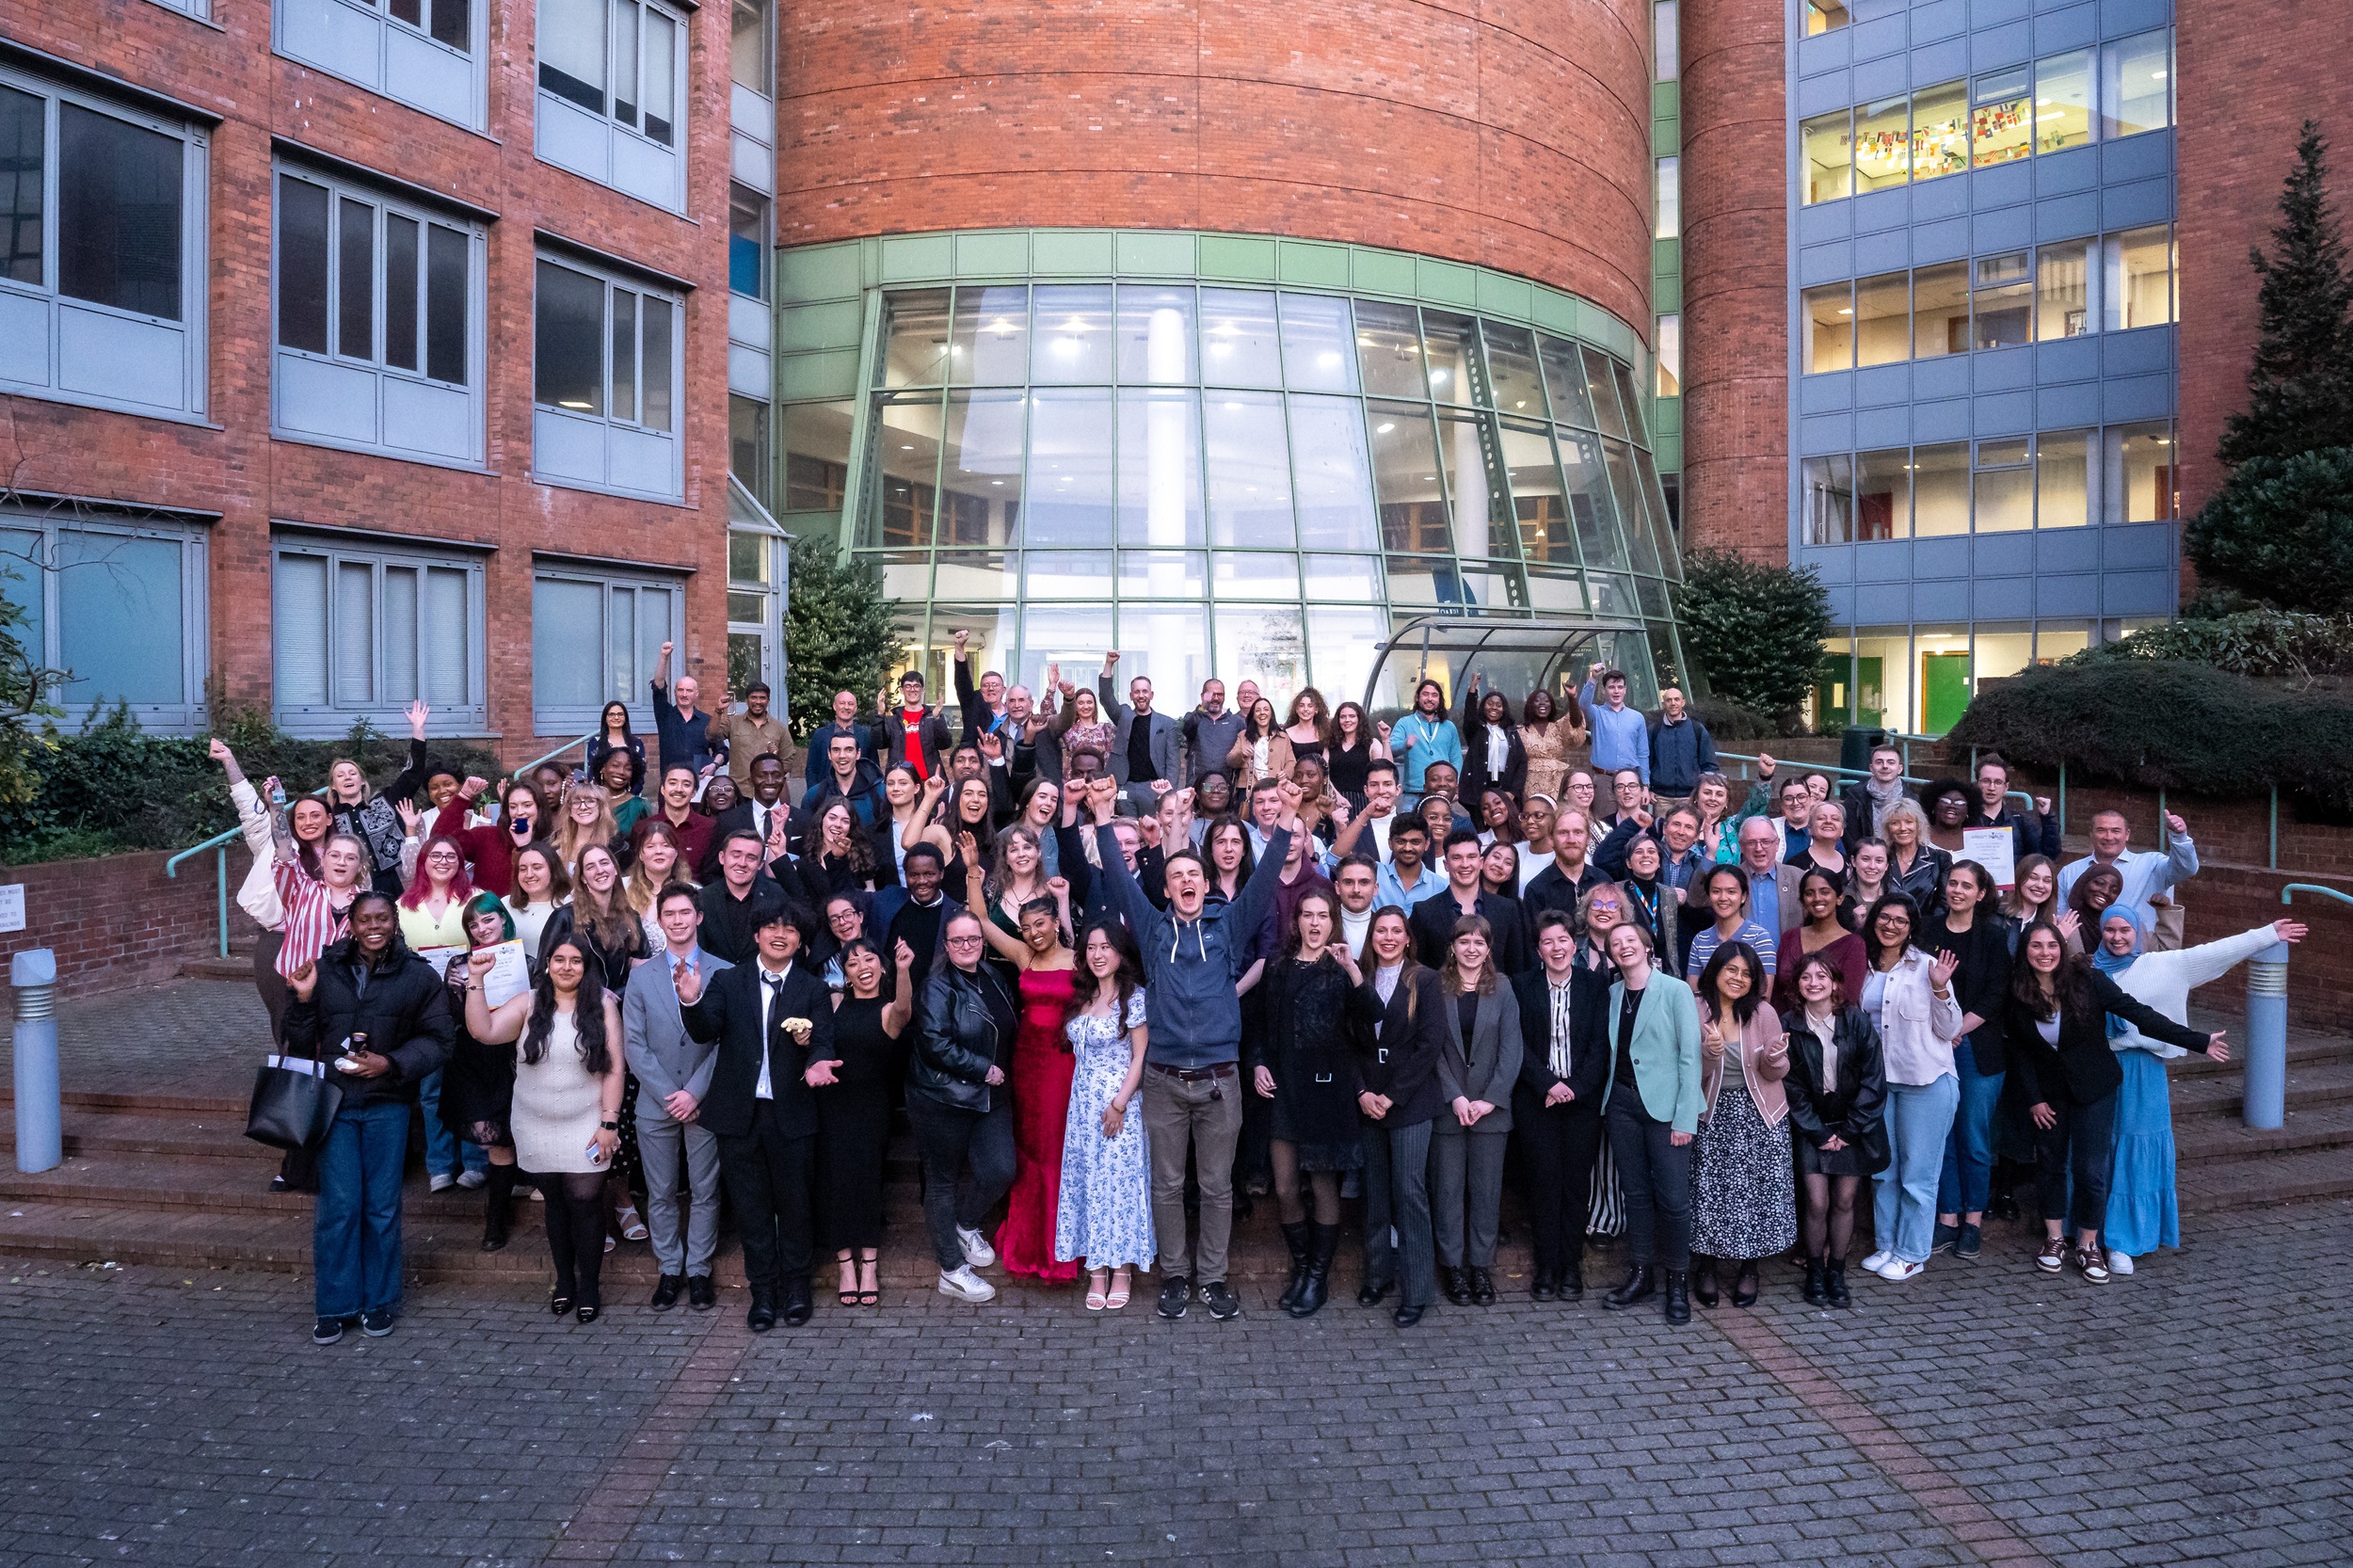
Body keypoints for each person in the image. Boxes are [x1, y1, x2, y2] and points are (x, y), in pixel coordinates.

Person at [1083, 775, 1296, 1320]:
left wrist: (1288, 818)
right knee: (1168, 1185)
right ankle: (1176, 1276)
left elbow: (1264, 878)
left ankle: (1214, 1279)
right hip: (1163, 1081)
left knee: (1218, 1187)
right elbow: (1119, 879)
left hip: (1221, 1080)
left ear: (1206, 885)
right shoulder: (1154, 931)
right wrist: (1103, 815)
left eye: (1193, 875)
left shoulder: (1229, 925)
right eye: (1175, 875)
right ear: (1167, 888)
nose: (1184, 881)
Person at [2003, 919, 2225, 1283]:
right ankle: (2054, 1239)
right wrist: (2034, 1099)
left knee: (2091, 1170)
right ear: (2025, 951)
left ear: (2062, 948)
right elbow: (2019, 1051)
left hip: (2094, 1088)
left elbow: (2138, 1014)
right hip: (2048, 1095)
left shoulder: (2086, 979)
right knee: (2052, 1165)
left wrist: (2197, 1040)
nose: (2045, 953)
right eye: (2036, 946)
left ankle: (2088, 1244)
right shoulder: (2017, 990)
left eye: (2052, 945)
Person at [285, 890, 455, 1343]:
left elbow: (440, 1040)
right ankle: (335, 1305)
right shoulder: (325, 970)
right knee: (339, 1207)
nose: (374, 927)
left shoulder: (418, 975)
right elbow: (298, 1044)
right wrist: (303, 999)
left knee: (381, 1207)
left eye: (382, 918)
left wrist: (390, 1063)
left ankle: (379, 1303)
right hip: (335, 1104)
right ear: (352, 925)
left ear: (394, 921)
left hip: (388, 1104)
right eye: (364, 920)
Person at [2098, 912, 2299, 1274]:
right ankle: (2089, 1232)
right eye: (2109, 929)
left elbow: (2217, 951)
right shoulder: (2086, 970)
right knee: (2096, 1150)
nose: (2117, 937)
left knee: (2137, 1149)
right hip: (2096, 1071)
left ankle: (2124, 1239)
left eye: (2125, 929)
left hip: (2143, 1073)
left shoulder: (2164, 965)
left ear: (2138, 932)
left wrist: (2269, 933)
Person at [674, 906, 840, 1329]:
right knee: (752, 1210)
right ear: (757, 935)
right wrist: (690, 999)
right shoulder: (728, 981)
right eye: (771, 926)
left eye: (790, 928)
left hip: (792, 1113)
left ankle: (797, 1288)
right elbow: (705, 1030)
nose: (780, 934)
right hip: (739, 1116)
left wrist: (815, 1057)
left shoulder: (812, 988)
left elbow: (824, 1040)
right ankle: (763, 1293)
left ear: (800, 941)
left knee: (796, 1206)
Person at [465, 933, 626, 1321]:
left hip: (588, 1122)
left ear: (586, 967)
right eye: (559, 959)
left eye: (575, 960)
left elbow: (615, 1067)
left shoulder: (603, 1005)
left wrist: (609, 1122)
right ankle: (565, 1282)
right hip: (534, 1123)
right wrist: (476, 979)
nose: (566, 967)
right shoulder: (528, 1003)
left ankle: (589, 1286)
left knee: (585, 1202)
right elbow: (483, 1031)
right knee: (555, 1203)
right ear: (547, 964)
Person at [1241, 888, 1368, 1318]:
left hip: (1326, 1092)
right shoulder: (1277, 965)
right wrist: (1258, 1063)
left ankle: (1317, 1277)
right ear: (1296, 921)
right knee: (1284, 1187)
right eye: (1308, 915)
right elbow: (1259, 1024)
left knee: (1323, 1184)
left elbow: (1371, 1018)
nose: (1315, 923)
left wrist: (1353, 970)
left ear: (1333, 921)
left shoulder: (1341, 968)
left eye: (1323, 916)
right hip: (1284, 1090)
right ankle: (1302, 1267)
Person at [964, 862, 1080, 1285]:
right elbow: (980, 921)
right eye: (1026, 927)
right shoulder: (1023, 955)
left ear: (1055, 923)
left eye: (1040, 924)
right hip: (1027, 1065)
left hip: (1064, 1065)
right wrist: (972, 873)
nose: (1033, 933)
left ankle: (1058, 1244)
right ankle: (1027, 1238)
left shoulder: (1080, 959)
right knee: (1028, 1148)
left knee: (1055, 1149)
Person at [905, 909, 1021, 1304]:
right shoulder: (936, 986)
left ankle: (966, 1223)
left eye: (973, 938)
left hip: (991, 1098)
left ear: (983, 942)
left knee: (1000, 1169)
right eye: (958, 940)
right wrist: (982, 1068)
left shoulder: (993, 976)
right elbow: (934, 1043)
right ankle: (951, 1271)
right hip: (944, 1097)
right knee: (942, 1181)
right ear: (946, 945)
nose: (967, 945)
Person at [623, 887, 728, 1312]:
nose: (679, 920)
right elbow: (634, 1043)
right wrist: (671, 1095)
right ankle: (669, 1268)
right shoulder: (640, 977)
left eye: (686, 912)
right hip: (657, 1102)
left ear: (698, 917)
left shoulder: (725, 972)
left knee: (705, 1190)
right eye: (670, 914)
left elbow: (727, 1043)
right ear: (660, 920)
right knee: (661, 1191)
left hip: (704, 1100)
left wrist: (694, 1093)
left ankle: (699, 1270)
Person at [1855, 895, 1963, 1283]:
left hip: (1926, 1081)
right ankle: (1887, 1244)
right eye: (1884, 917)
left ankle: (1912, 1253)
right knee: (1884, 1171)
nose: (1891, 925)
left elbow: (1951, 1030)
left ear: (1911, 927)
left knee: (1918, 1175)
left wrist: (1940, 990)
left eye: (1901, 920)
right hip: (1879, 1084)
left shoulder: (1929, 967)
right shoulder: (1863, 965)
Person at [1599, 920, 1702, 1322]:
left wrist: (1685, 1118)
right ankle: (1641, 1274)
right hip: (1621, 1106)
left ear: (1647, 947)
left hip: (1666, 1110)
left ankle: (1677, 1282)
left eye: (1631, 940)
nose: (1624, 947)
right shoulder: (1612, 994)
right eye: (1616, 943)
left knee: (1674, 1200)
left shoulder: (1675, 991)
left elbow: (1690, 1056)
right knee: (1636, 1195)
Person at [1424, 914, 1523, 1310]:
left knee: (1486, 1192)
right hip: (1448, 1108)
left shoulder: (1504, 987)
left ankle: (1480, 1267)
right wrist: (1455, 1096)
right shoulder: (1435, 985)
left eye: (1479, 942)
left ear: (1488, 948)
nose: (1471, 948)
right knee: (1447, 1191)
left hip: (1490, 1110)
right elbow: (1431, 1047)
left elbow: (1512, 1049)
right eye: (1464, 941)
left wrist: (1490, 1099)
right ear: (1452, 947)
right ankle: (1453, 1267)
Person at [1688, 941, 1795, 1309]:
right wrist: (1708, 1053)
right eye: (1731, 969)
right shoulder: (1695, 1009)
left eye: (1747, 973)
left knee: (1758, 1194)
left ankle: (1750, 1269)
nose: (1738, 978)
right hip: (1712, 1114)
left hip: (1762, 1115)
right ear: (1715, 970)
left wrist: (1775, 1057)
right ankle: (1707, 1266)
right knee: (1710, 1194)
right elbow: (1689, 1072)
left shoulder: (1763, 1012)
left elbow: (1774, 1073)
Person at [1053, 920, 1154, 1311]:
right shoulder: (1083, 996)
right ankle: (1096, 1270)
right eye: (1092, 947)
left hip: (1119, 1107)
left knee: (1119, 1188)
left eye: (1106, 947)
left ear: (1120, 953)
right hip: (1081, 1110)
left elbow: (1140, 1056)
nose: (1097, 954)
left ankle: (1122, 1269)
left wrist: (1119, 1104)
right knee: (1088, 1186)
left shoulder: (1136, 998)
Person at [1355, 905, 1448, 1326]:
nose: (1388, 938)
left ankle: (1417, 1291)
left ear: (1408, 938)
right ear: (1371, 937)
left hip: (1409, 1102)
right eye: (1381, 931)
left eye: (1396, 931)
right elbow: (1347, 1040)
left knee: (1409, 1194)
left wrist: (1391, 1096)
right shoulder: (1360, 976)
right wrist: (1362, 1091)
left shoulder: (1424, 980)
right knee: (1375, 1192)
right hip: (1367, 1101)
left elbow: (1430, 1045)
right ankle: (1378, 1276)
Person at [1511, 911, 1609, 1302]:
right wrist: (1549, 1084)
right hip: (1537, 1101)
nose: (1556, 948)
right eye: (1547, 941)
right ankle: (1546, 1265)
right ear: (1538, 949)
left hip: (1581, 1101)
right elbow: (1516, 1044)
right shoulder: (1521, 986)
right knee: (1543, 1183)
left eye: (1563, 940)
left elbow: (1601, 1045)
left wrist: (1573, 1088)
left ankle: (1571, 1265)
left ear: (1574, 944)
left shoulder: (1594, 985)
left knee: (1575, 1184)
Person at [1780, 952, 1887, 1309]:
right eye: (1806, 977)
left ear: (1836, 983)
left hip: (1852, 1125)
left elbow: (1873, 1080)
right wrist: (1818, 1132)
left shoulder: (1856, 1020)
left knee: (1844, 1200)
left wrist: (1850, 1130)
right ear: (1797, 985)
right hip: (1811, 1125)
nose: (1814, 983)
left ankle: (1836, 1271)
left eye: (1822, 976)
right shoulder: (1789, 1024)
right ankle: (1814, 1271)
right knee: (1816, 1201)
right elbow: (1790, 1086)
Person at [1924, 861, 2014, 1258]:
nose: (1957, 890)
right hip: (1932, 1047)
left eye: (1966, 886)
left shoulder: (1993, 935)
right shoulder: (1927, 930)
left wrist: (1957, 1028)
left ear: (1981, 894)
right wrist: (1944, 1030)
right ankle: (1947, 1218)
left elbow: (1997, 993)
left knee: (1974, 1138)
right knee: (1941, 1136)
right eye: (1953, 883)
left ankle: (1973, 1221)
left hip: (1977, 1048)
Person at [822, 936, 913, 1307]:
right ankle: (845, 1265)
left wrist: (904, 970)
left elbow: (904, 1008)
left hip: (872, 1107)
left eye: (869, 958)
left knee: (868, 1182)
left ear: (881, 966)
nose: (862, 967)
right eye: (853, 962)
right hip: (832, 1105)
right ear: (846, 974)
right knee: (836, 1183)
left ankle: (870, 1265)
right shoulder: (834, 1003)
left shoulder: (888, 1010)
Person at [433, 894, 526, 1251]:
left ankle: (499, 1219)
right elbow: (454, 1016)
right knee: (494, 1140)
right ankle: (497, 1217)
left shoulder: (527, 961)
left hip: (515, 1059)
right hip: (473, 1060)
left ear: (503, 919)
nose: (481, 928)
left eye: (488, 920)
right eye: (473, 924)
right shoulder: (458, 965)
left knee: (511, 1137)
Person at [2058, 808, 2201, 937]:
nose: (2108, 837)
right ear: (2091, 834)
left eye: (2116, 831)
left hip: (2142, 952)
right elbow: (2061, 918)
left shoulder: (2152, 864)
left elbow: (2186, 869)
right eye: (2101, 830)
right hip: (2085, 953)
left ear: (2127, 834)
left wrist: (2179, 837)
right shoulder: (2070, 872)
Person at [1411, 828, 1530, 973]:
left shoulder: (1507, 909)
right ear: (1446, 865)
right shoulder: (1424, 912)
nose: (1465, 864)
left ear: (1481, 862)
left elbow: (1517, 968)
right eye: (1457, 858)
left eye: (1471, 857)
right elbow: (1417, 971)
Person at [1771, 867, 1866, 1012]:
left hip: (1832, 1023)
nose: (1817, 898)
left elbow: (1848, 998)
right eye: (1810, 893)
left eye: (1825, 892)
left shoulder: (1854, 944)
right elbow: (1777, 993)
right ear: (1802, 901)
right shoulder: (1789, 937)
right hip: (1786, 1022)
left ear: (1839, 898)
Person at [697, 830, 792, 967]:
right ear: (722, 858)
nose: (742, 863)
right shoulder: (702, 898)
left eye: (751, 858)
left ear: (760, 864)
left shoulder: (779, 897)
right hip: (713, 977)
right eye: (736, 855)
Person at [1685, 864, 1777, 984]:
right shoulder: (1701, 940)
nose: (1723, 898)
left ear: (1743, 897)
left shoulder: (1760, 938)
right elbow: (1693, 990)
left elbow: (1763, 991)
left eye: (1731, 892)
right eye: (1716, 891)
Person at [648, 641, 727, 777]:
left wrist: (714, 765)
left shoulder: (707, 721)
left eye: (689, 691)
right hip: (670, 782)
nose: (684, 694)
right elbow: (658, 686)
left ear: (696, 694)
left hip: (698, 782)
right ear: (674, 693)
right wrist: (664, 656)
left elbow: (721, 751)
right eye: (680, 690)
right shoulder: (665, 715)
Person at [1968, 753, 2058, 864]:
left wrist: (2048, 818)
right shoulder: (1965, 819)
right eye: (1986, 781)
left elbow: (2046, 857)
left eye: (1998, 782)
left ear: (2006, 787)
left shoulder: (2021, 822)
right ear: (1977, 783)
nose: (1992, 787)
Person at [1458, 674, 1527, 808]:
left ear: (1504, 709)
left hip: (1504, 785)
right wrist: (1473, 688)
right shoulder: (1476, 730)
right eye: (1490, 704)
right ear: (1483, 706)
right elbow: (1470, 715)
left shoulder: (1511, 733)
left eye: (1498, 705)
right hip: (1480, 786)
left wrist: (1514, 792)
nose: (1494, 707)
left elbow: (1521, 763)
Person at [396, 834, 474, 952]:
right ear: (423, 861)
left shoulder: (476, 898)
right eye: (436, 856)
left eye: (451, 856)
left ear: (459, 863)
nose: (444, 861)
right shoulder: (401, 906)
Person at [1389, 678, 1462, 803]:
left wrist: (1455, 785)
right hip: (1413, 793)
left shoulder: (1449, 726)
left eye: (1434, 695)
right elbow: (1391, 748)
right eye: (1425, 694)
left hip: (1441, 790)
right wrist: (1404, 744)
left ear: (1439, 700)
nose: (1429, 699)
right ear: (1417, 697)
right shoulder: (1405, 723)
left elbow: (1456, 759)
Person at [625, 822, 692, 950]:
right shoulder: (623, 889)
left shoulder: (693, 892)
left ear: (676, 853)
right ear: (640, 854)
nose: (659, 851)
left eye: (666, 845)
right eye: (650, 846)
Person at [1734, 817, 1804, 936]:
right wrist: (1710, 854)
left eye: (1765, 842)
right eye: (1751, 842)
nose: (1758, 848)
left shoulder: (1798, 878)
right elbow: (1700, 902)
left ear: (1777, 844)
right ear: (1741, 846)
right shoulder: (1731, 878)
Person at [881, 669, 953, 781]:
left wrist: (937, 719)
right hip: (902, 781)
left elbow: (944, 744)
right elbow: (880, 743)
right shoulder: (893, 720)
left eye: (916, 686)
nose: (912, 689)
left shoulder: (932, 717)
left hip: (930, 780)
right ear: (901, 690)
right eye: (908, 686)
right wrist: (880, 715)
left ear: (923, 690)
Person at [1646, 687, 1716, 800]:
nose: (1673, 703)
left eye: (1676, 699)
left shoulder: (1697, 729)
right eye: (1669, 700)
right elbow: (1647, 762)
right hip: (1661, 797)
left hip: (1690, 796)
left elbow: (1709, 764)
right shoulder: (1654, 730)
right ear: (1664, 704)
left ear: (1683, 702)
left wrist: (1706, 791)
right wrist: (1648, 788)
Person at [1838, 744, 1910, 854]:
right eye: (1879, 762)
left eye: (1891, 762)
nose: (1885, 766)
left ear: (1900, 769)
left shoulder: (1912, 801)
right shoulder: (1854, 798)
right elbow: (1850, 839)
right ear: (1871, 768)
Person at [1584, 668, 1648, 788]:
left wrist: (1645, 783)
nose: (1616, 691)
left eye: (1620, 687)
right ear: (1603, 690)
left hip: (1630, 780)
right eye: (1611, 687)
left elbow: (1643, 753)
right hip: (1603, 779)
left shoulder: (1637, 717)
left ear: (1625, 690)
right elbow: (1583, 705)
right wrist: (1593, 678)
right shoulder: (1596, 714)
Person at [1518, 687, 1584, 804]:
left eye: (1546, 701)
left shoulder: (1558, 728)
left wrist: (1571, 698)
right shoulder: (1520, 731)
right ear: (1530, 705)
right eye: (1537, 700)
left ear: (1552, 705)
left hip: (1556, 785)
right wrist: (1522, 794)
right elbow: (1516, 764)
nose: (1542, 703)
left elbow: (1575, 722)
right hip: (1529, 787)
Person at [1880, 799, 1948, 908]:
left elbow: (1944, 903)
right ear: (1887, 828)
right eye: (1895, 823)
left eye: (1909, 822)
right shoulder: (1880, 859)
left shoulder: (1940, 859)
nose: (1903, 828)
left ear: (1919, 825)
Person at [718, 680, 789, 786]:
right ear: (747, 700)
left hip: (766, 790)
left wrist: (773, 779)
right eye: (754, 697)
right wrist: (718, 712)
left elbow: (788, 759)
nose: (758, 702)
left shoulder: (779, 728)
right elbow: (712, 736)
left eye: (762, 698)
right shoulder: (733, 723)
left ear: (768, 701)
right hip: (739, 789)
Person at [802, 690, 875, 789]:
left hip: (859, 792)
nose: (846, 707)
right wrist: (815, 793)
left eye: (850, 704)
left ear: (855, 708)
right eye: (842, 703)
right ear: (834, 706)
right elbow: (811, 769)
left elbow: (873, 767)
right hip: (826, 792)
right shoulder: (820, 735)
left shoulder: (866, 735)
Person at [1181, 678, 1247, 786]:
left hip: (1225, 786)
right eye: (1212, 694)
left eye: (1220, 694)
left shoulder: (1236, 722)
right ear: (1203, 696)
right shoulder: (1193, 718)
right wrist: (1203, 707)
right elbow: (1187, 729)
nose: (1216, 698)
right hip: (1197, 785)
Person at [505, 844, 568, 960]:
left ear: (553, 870)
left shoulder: (568, 905)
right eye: (523, 869)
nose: (529, 875)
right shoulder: (505, 904)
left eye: (537, 868)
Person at [1325, 700, 1386, 808]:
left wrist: (1386, 740)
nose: (1347, 720)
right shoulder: (1330, 745)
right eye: (1343, 717)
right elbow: (1324, 774)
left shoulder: (1372, 744)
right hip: (1335, 802)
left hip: (1364, 802)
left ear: (1359, 719)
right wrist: (1336, 796)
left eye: (1352, 716)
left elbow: (1385, 771)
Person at [588, 698, 648, 802]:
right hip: (601, 798)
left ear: (625, 718)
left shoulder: (637, 743)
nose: (616, 717)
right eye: (611, 714)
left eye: (620, 714)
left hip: (629, 798)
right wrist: (601, 797)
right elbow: (592, 773)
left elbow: (639, 775)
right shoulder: (595, 743)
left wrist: (627, 797)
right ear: (605, 718)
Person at [2002, 854, 2064, 931]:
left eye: (2047, 881)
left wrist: (2058, 937)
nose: (2040, 885)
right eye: (2033, 878)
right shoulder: (1996, 915)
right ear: (2019, 878)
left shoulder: (2051, 924)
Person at [1791, 801, 1848, 880]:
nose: (1828, 821)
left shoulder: (1850, 865)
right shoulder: (1795, 865)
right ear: (1810, 828)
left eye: (1835, 819)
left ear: (1842, 830)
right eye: (1821, 818)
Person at [1844, 840, 1891, 932]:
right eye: (1865, 859)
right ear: (1853, 861)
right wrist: (1854, 925)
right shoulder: (1839, 899)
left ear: (1886, 865)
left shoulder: (1898, 898)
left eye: (1879, 861)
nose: (1872, 866)